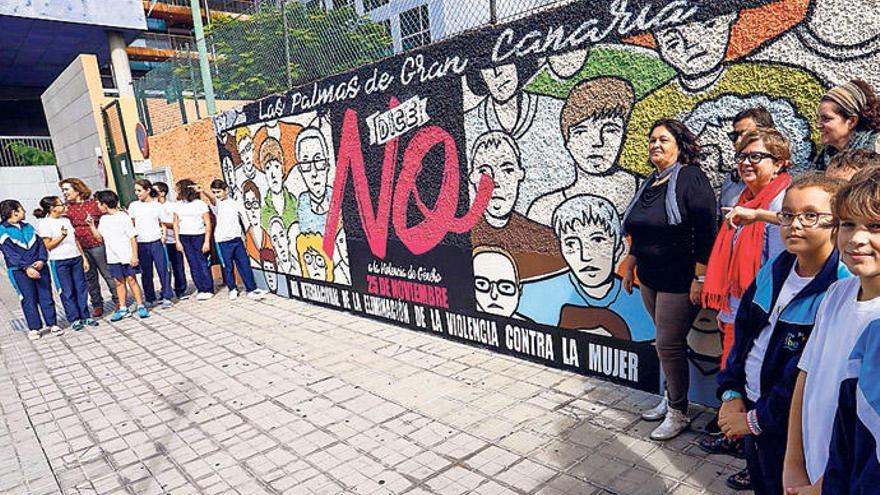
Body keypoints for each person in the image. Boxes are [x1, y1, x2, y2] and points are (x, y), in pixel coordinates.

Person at [715, 173, 849, 495]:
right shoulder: (775, 268)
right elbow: (743, 334)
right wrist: (732, 394)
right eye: (787, 214)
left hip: (789, 428)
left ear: (837, 223)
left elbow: (802, 376)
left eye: (810, 215)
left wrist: (755, 420)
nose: (795, 224)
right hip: (750, 408)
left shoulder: (839, 288)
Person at [783, 166, 880, 494]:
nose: (857, 238)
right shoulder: (837, 294)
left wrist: (824, 486)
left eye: (875, 227)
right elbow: (805, 374)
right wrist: (793, 464)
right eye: (848, 225)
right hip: (810, 471)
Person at [620, 119, 718, 440]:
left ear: (679, 145)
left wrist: (700, 277)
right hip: (649, 276)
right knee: (666, 344)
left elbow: (706, 230)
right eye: (652, 140)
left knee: (668, 344)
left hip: (679, 278)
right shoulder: (651, 182)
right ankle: (671, 399)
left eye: (663, 139)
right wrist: (632, 261)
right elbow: (641, 229)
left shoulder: (691, 178)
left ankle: (678, 412)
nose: (655, 145)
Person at [704, 128, 791, 375]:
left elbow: (780, 267)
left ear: (779, 164)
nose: (745, 163)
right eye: (741, 157)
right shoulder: (744, 198)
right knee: (732, 382)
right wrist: (728, 310)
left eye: (755, 156)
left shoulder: (783, 202)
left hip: (762, 317)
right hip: (738, 310)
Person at [518, 194, 654, 341]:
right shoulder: (531, 294)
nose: (585, 256)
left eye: (597, 240)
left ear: (619, 249)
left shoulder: (641, 305)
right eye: (571, 244)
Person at [528, 77, 638, 218]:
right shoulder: (545, 211)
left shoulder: (651, 192)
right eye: (581, 131)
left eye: (610, 130)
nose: (597, 142)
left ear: (624, 136)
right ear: (568, 141)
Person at [467, 130, 565, 279]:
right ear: (472, 177)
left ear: (520, 174)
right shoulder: (463, 234)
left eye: (507, 170)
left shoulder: (544, 239)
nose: (496, 182)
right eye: (484, 172)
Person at [33, 196, 97, 331]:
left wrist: (83, 257)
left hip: (75, 258)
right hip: (59, 261)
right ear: (52, 208)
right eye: (60, 204)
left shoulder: (66, 220)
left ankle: (85, 315)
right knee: (67, 291)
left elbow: (75, 240)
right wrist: (62, 236)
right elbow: (48, 245)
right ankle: (74, 318)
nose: (64, 206)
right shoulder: (45, 223)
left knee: (81, 288)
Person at [0, 200, 61, 340]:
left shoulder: (28, 227)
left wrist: (41, 260)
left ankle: (52, 324)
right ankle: (34, 328)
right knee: (28, 298)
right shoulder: (2, 230)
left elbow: (40, 245)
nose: (24, 211)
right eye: (21, 209)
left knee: (46, 295)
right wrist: (26, 267)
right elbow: (10, 253)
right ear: (14, 212)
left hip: (40, 267)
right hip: (19, 271)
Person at [85, 190, 149, 322]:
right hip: (113, 257)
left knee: (132, 280)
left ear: (105, 204)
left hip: (127, 255)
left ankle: (140, 305)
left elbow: (132, 237)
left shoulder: (123, 217)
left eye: (98, 203)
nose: (97, 206)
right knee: (118, 282)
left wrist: (134, 256)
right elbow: (99, 237)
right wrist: (91, 225)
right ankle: (123, 308)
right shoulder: (103, 219)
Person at [59, 178, 118, 316]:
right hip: (80, 248)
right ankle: (97, 304)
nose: (64, 193)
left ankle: (117, 300)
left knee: (107, 274)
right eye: (63, 190)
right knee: (90, 278)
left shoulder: (93, 205)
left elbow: (109, 216)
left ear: (78, 190)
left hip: (97, 244)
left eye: (67, 189)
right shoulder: (67, 208)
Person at [201, 179, 267, 300]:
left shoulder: (234, 203)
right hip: (222, 241)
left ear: (226, 190)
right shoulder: (216, 204)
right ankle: (232, 288)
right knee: (228, 266)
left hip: (236, 239)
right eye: (214, 192)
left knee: (244, 264)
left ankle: (251, 289)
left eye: (219, 191)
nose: (217, 194)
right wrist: (204, 192)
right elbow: (212, 199)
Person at [811, 80, 880, 170]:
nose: (818, 125)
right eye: (819, 118)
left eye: (826, 119)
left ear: (851, 121)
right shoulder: (823, 160)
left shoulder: (875, 152)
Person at [129, 179, 173, 309]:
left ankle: (166, 296)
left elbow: (163, 222)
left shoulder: (156, 205)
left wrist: (164, 235)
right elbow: (131, 223)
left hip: (156, 241)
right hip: (141, 242)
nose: (137, 193)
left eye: (139, 190)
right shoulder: (133, 206)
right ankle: (149, 297)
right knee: (146, 272)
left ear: (148, 190)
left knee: (163, 269)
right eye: (136, 191)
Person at [172, 179, 214, 300]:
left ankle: (208, 288)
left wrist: (206, 241)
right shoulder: (177, 205)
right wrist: (177, 240)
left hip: (198, 235)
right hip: (185, 236)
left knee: (202, 262)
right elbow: (175, 223)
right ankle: (200, 288)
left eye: (178, 188)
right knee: (192, 263)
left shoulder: (200, 204)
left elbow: (207, 223)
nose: (176, 191)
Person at [472, 246, 531, 320]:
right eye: (482, 284)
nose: (494, 295)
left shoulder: (529, 326)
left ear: (519, 290)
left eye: (505, 287)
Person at [153, 182, 188, 299]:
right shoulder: (152, 206)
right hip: (159, 240)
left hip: (172, 240)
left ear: (162, 193)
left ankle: (180, 290)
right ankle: (165, 290)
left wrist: (163, 223)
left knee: (178, 266)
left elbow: (176, 223)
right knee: (163, 268)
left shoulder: (172, 206)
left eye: (155, 191)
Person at [295, 127, 332, 235]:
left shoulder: (338, 199)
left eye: (318, 160)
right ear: (300, 170)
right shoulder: (301, 204)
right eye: (306, 163)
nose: (314, 172)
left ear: (327, 164)